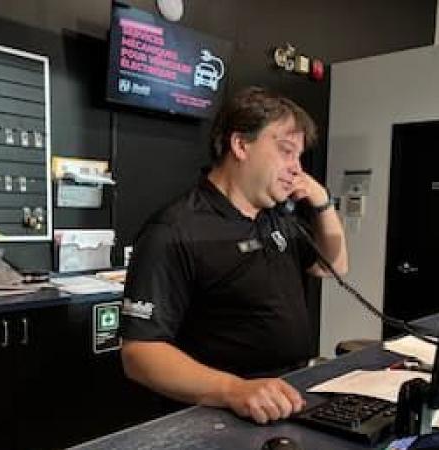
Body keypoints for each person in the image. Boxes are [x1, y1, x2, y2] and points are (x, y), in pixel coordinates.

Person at [120, 86, 348, 425]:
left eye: (299, 157)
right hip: (220, 412)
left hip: (287, 398)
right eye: (286, 151)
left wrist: (323, 203)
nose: (296, 169)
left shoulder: (277, 218)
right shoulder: (174, 230)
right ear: (240, 145)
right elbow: (139, 353)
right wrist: (234, 390)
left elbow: (334, 265)